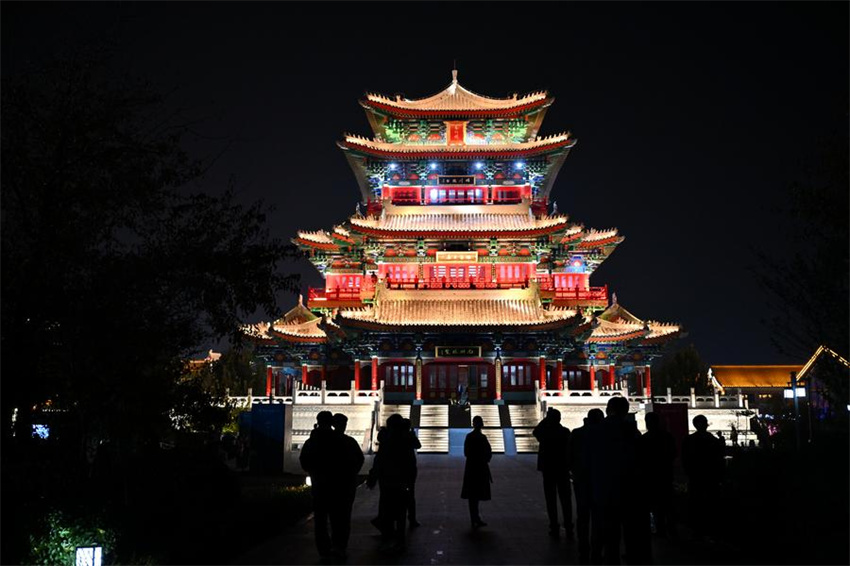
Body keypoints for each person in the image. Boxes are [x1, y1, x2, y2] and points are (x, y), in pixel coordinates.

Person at [587, 396, 643, 565]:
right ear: (625, 411)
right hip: (627, 487)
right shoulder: (631, 430)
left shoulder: (596, 429)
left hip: (602, 486)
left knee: (605, 528)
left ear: (608, 409)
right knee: (629, 528)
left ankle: (605, 557)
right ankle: (631, 556)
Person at [300, 411, 346, 560]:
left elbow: (304, 461)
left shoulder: (311, 441)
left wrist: (314, 471)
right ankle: (338, 547)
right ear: (331, 422)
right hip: (337, 485)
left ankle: (324, 550)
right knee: (337, 518)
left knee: (320, 520)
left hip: (319, 484)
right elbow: (353, 460)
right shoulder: (339, 440)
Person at [367, 414, 409, 552]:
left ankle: (388, 536)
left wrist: (374, 475)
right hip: (399, 479)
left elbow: (379, 460)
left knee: (387, 508)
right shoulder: (403, 440)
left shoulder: (387, 441)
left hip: (387, 480)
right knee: (400, 510)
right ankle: (399, 538)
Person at [569, 408, 605, 564]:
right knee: (599, 517)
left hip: (581, 479)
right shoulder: (605, 434)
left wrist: (573, 471)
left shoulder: (577, 433)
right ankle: (597, 550)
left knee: (583, 516)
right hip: (601, 481)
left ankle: (583, 548)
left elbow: (569, 455)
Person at [681, 414, 724, 542]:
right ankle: (709, 529)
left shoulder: (690, 440)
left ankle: (699, 529)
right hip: (707, 476)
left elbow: (685, 459)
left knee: (698, 502)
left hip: (698, 476)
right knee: (708, 503)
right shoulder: (711, 440)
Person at [533, 407, 573, 538]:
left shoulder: (545, 433)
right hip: (562, 469)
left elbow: (535, 431)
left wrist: (545, 420)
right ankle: (568, 525)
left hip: (548, 468)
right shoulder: (565, 432)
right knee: (566, 499)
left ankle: (554, 525)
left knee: (551, 499)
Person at [330, 413, 365, 559]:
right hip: (346, 483)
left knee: (333, 515)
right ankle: (341, 545)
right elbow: (360, 459)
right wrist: (353, 473)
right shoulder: (349, 441)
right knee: (344, 515)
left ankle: (334, 545)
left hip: (331, 483)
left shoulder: (327, 441)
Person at [638, 412, 677, 540]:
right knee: (667, 504)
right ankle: (671, 528)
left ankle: (661, 529)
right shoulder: (667, 437)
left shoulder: (644, 439)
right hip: (664, 474)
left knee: (656, 505)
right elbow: (673, 454)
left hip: (651, 477)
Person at [461, 415, 492, 528]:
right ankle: (476, 517)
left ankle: (474, 517)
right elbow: (488, 452)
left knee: (472, 494)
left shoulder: (469, 436)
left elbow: (466, 452)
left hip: (471, 468)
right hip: (481, 467)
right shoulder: (482, 437)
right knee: (477, 493)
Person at [402, 418, 422, 528]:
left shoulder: (394, 437)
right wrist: (413, 436)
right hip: (409, 468)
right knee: (410, 494)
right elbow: (418, 445)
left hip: (398, 469)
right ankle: (412, 518)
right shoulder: (409, 436)